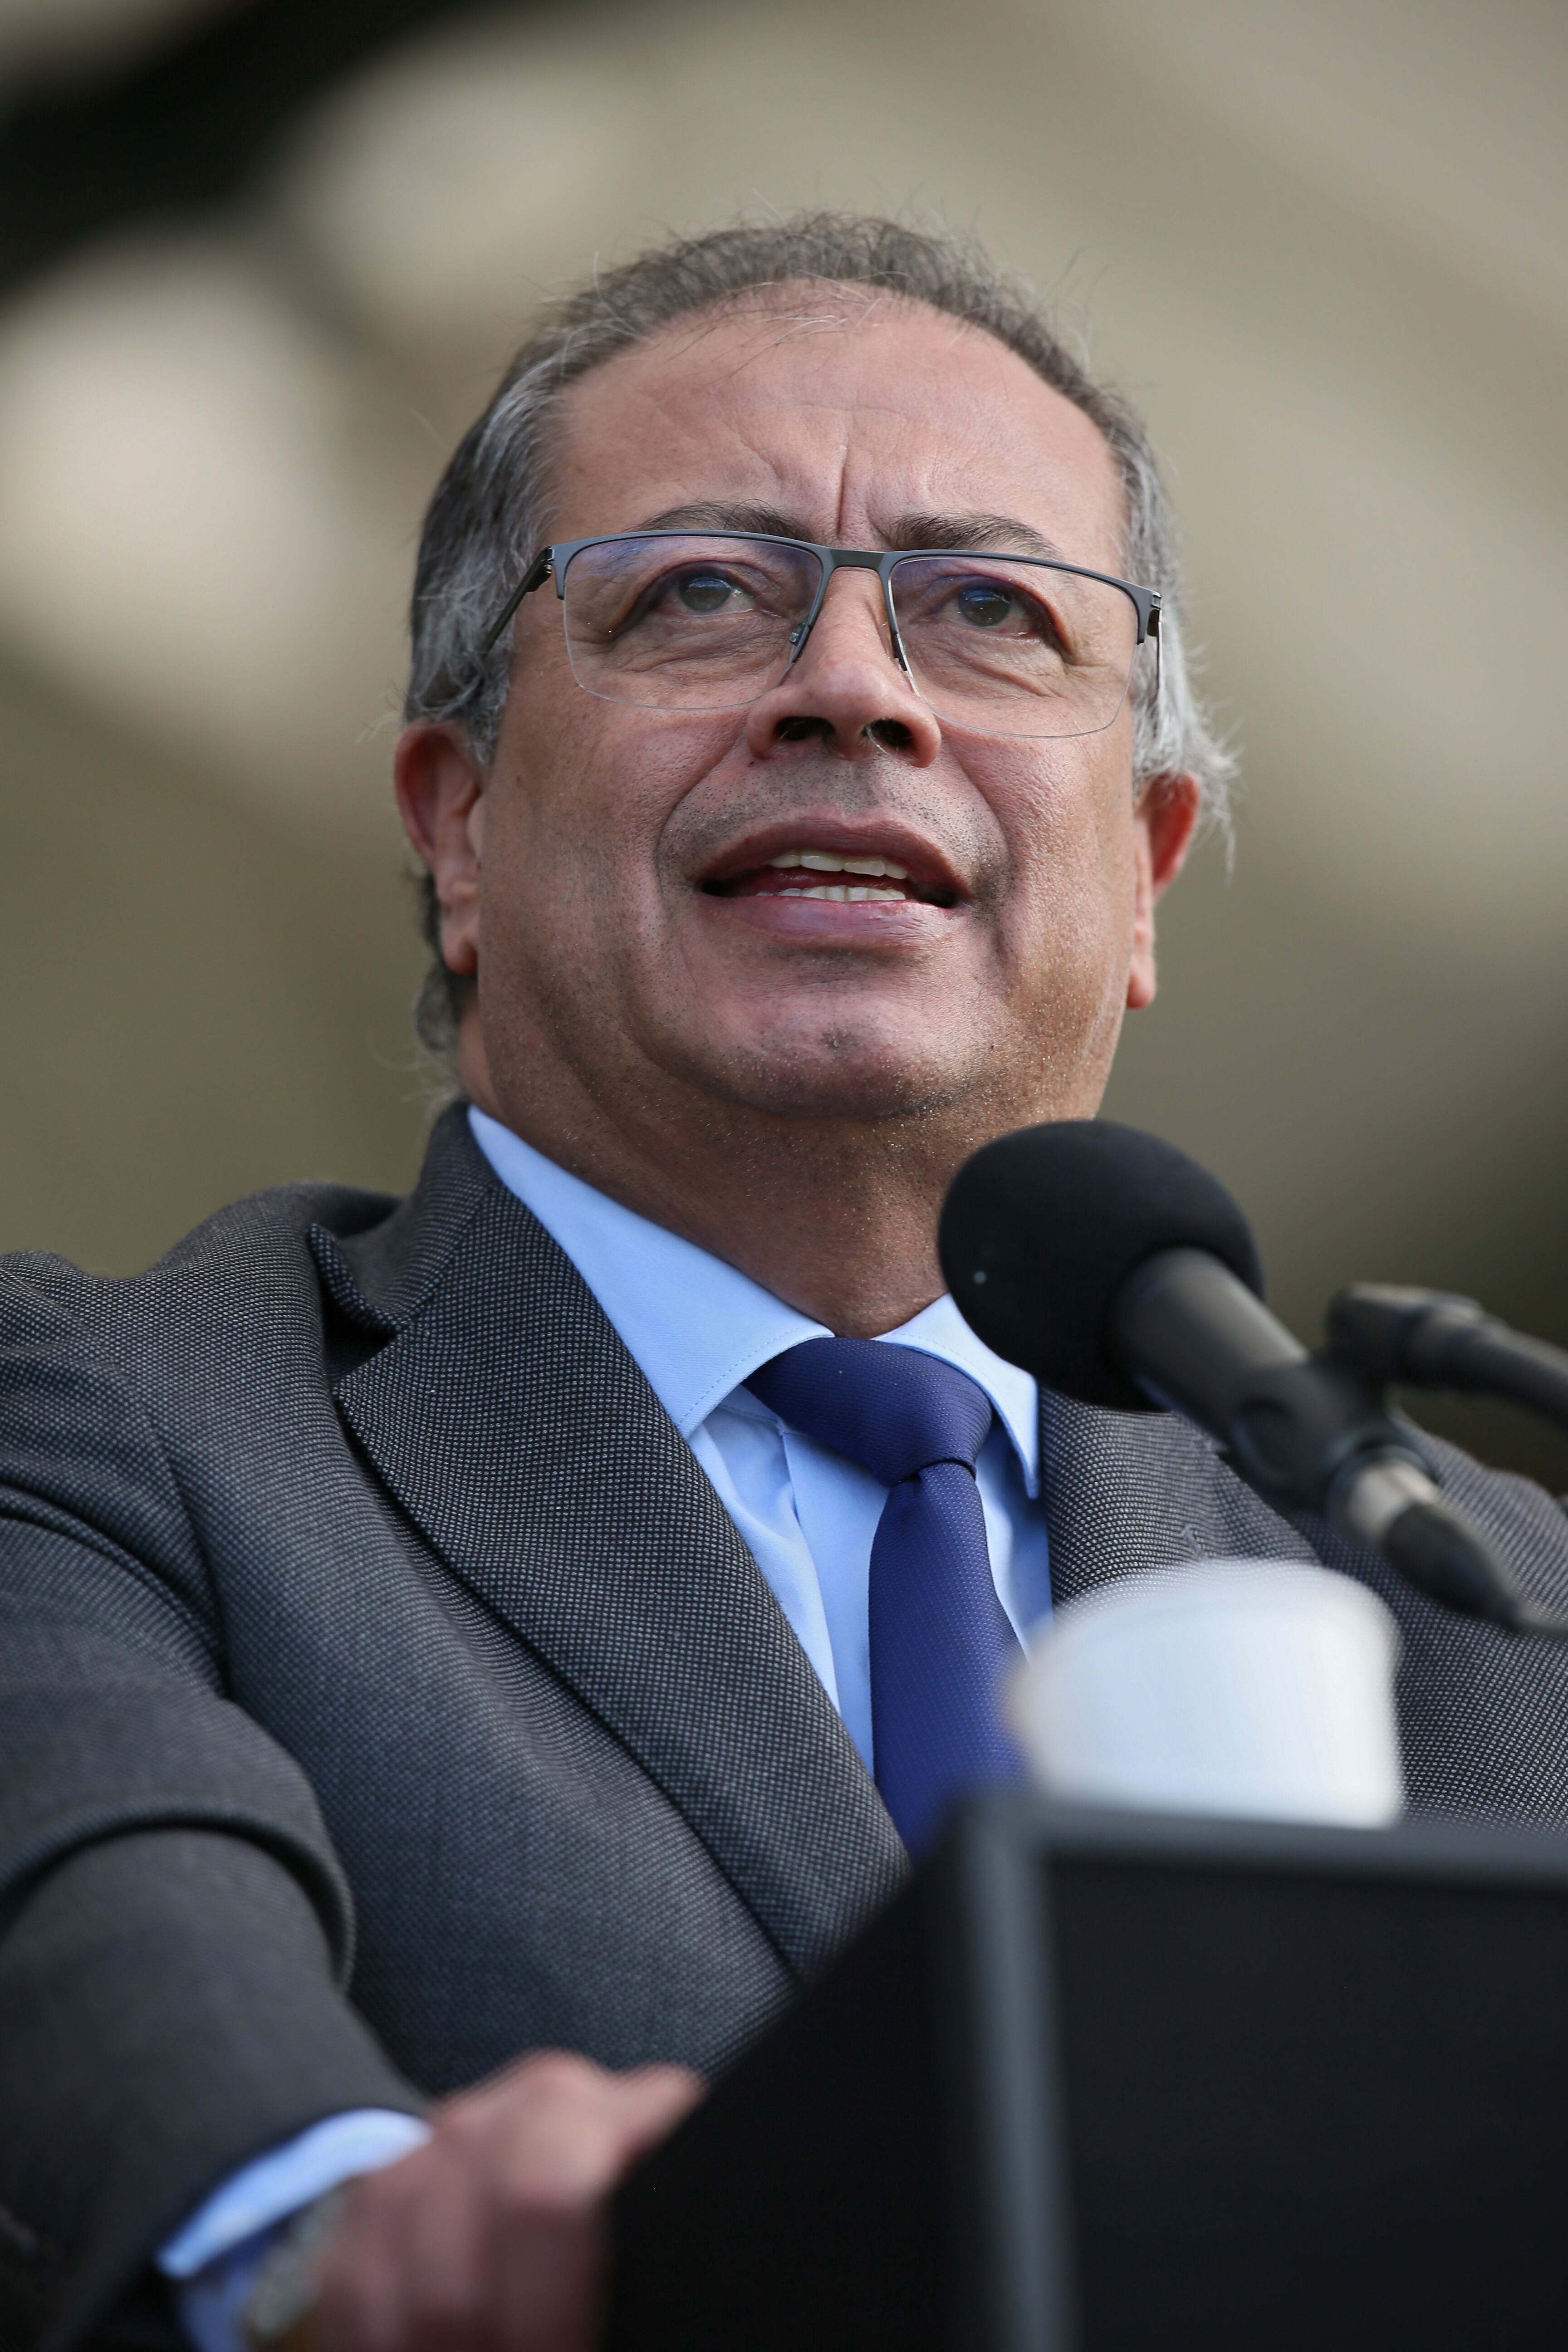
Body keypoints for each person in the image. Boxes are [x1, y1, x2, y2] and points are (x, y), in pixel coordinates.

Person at [4, 214, 1567, 2352]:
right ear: (455, 830)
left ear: (1148, 875)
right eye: (702, 595)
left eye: (993, 612)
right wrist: (340, 2225)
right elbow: (97, 1905)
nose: (854, 688)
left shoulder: (1495, 1608)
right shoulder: (115, 1431)